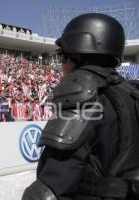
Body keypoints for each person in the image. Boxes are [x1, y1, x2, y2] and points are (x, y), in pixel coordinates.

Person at [22, 13, 139, 200]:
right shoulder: (130, 93)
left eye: (62, 56)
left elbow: (50, 190)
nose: (61, 64)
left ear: (76, 55)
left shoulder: (81, 92)